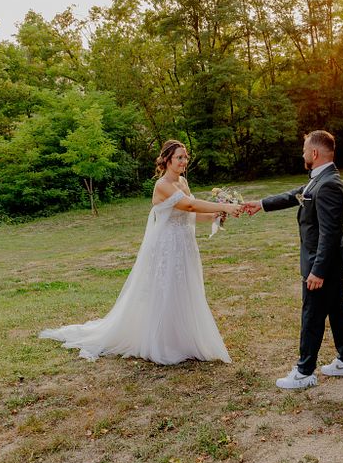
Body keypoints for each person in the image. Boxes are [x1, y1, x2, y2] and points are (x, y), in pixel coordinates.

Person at [39, 140, 241, 365]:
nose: (184, 161)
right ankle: (164, 342)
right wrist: (224, 206)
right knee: (166, 289)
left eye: (185, 157)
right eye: (179, 157)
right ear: (167, 160)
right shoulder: (162, 185)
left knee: (185, 288)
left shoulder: (183, 182)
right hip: (167, 247)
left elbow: (190, 215)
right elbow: (190, 205)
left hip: (185, 245)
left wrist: (215, 216)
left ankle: (185, 340)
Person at [244, 130, 343, 389]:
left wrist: (317, 271)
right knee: (337, 310)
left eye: (305, 149)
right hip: (329, 263)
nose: (303, 153)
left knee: (312, 315)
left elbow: (330, 233)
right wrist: (260, 203)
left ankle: (304, 372)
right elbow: (293, 196)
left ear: (315, 153)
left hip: (322, 264)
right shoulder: (320, 179)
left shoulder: (328, 185)